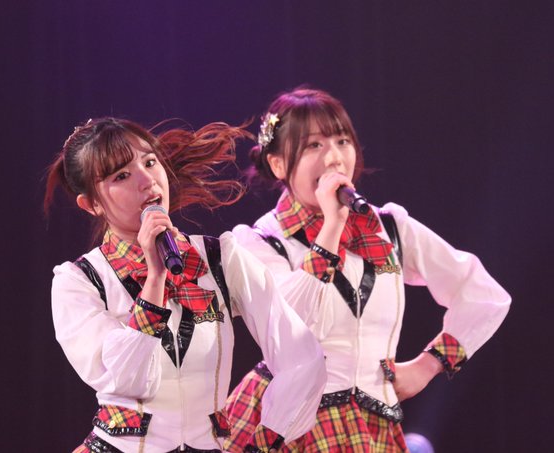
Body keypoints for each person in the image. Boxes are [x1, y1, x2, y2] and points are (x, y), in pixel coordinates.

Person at [224, 88, 512, 452]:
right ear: (279, 164)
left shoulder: (389, 227)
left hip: (371, 423)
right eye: (314, 145)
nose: (334, 157)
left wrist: (430, 364)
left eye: (342, 141)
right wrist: (332, 227)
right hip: (292, 423)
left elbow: (482, 294)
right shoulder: (260, 241)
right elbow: (288, 326)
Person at [44, 117, 326, 453]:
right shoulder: (80, 281)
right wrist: (155, 278)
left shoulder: (220, 258)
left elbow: (301, 354)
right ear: (91, 204)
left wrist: (265, 442)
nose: (147, 180)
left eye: (150, 162)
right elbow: (127, 380)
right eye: (121, 176)